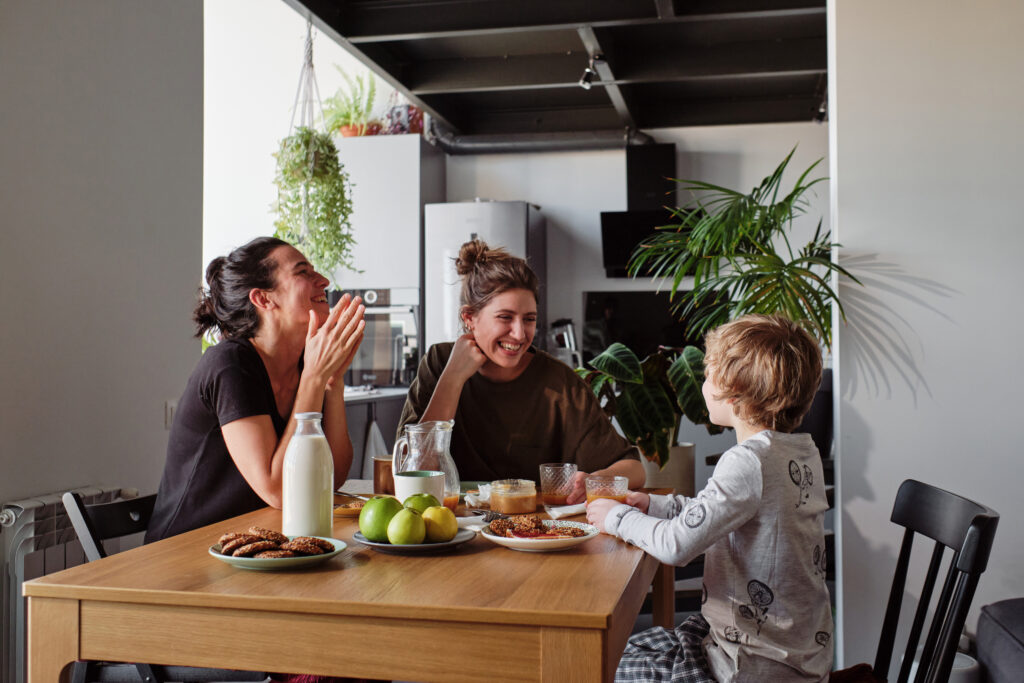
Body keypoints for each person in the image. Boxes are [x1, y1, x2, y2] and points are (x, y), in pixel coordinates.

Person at [587, 314, 833, 683]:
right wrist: (650, 505)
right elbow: (716, 515)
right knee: (635, 650)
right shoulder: (798, 451)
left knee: (611, 666)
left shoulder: (747, 461)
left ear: (732, 392)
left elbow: (677, 545)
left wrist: (614, 518)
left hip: (752, 664)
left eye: (706, 374)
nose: (702, 384)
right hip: (797, 653)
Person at [146, 237, 365, 542]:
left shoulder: (306, 364)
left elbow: (330, 479)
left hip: (259, 545)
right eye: (303, 272)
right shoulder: (230, 365)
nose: (324, 281)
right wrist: (315, 378)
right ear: (263, 299)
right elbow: (278, 490)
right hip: (186, 553)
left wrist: (333, 382)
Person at [397, 239, 644, 501]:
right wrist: (453, 378)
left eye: (529, 319)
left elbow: (634, 469)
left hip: (534, 534)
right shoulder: (438, 363)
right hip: (448, 528)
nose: (519, 334)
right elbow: (411, 475)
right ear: (469, 318)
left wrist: (594, 481)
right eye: (505, 317)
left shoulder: (559, 382)